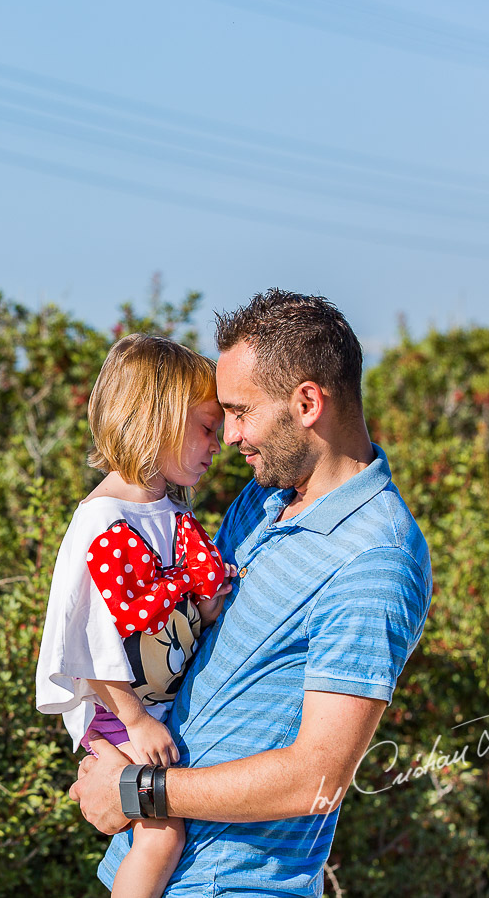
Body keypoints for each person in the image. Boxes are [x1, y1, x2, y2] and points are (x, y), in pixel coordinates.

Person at [70, 290, 433, 897]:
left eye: (241, 411)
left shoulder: (376, 557)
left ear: (308, 402)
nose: (230, 434)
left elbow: (316, 778)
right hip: (152, 870)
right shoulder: (265, 499)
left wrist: (136, 789)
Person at [35, 333, 237, 898]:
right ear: (158, 420)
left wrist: (204, 604)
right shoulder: (102, 521)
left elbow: (167, 605)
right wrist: (136, 721)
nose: (216, 444)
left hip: (155, 704)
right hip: (119, 712)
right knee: (161, 833)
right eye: (204, 428)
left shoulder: (167, 511)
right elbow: (88, 644)